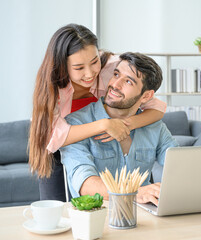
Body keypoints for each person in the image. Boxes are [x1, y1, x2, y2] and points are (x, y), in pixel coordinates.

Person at [28, 24, 167, 201]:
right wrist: (104, 124)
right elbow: (54, 137)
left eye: (94, 62)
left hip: (101, 142)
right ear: (62, 66)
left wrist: (125, 125)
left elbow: (155, 107)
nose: (90, 73)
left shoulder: (111, 67)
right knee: (59, 211)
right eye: (79, 68)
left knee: (141, 197)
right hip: (60, 149)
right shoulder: (52, 89)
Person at [60, 52, 178, 206]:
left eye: (128, 82)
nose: (115, 84)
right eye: (116, 74)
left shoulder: (155, 127)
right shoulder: (78, 124)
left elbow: (180, 167)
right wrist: (134, 193)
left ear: (146, 96)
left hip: (144, 216)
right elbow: (85, 184)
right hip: (96, 217)